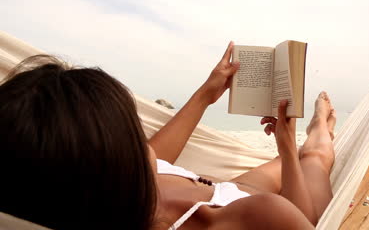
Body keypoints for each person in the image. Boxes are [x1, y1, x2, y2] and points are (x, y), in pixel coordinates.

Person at [0, 42, 335, 230]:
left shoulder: (102, 195)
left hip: (222, 190)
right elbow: (301, 218)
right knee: (313, 157)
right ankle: (321, 130)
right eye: (132, 130)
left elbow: (153, 154)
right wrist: (288, 147)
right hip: (256, 202)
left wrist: (206, 94)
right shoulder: (259, 215)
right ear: (119, 165)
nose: (140, 141)